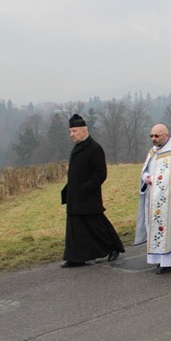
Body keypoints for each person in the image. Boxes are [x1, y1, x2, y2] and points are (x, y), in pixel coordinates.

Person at [60, 114, 124, 267]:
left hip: (88, 197)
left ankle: (113, 247)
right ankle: (76, 257)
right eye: (70, 132)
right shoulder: (77, 148)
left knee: (96, 226)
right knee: (76, 229)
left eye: (74, 131)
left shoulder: (95, 148)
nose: (71, 135)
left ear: (84, 130)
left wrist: (85, 188)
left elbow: (100, 174)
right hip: (75, 197)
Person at [134, 123, 171, 274]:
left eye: (157, 136)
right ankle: (157, 259)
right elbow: (145, 169)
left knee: (168, 228)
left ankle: (168, 261)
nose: (153, 139)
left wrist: (155, 179)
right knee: (153, 226)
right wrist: (146, 176)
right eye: (151, 136)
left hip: (169, 201)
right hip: (152, 196)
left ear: (166, 135)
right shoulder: (153, 152)